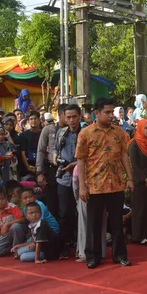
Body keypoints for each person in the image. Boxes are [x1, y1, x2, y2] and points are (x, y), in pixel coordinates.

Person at [76, 98, 134, 269]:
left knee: (117, 221)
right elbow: (80, 160)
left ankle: (120, 255)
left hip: (116, 184)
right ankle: (92, 256)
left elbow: (124, 156)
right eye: (107, 112)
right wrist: (82, 186)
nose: (111, 116)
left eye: (112, 112)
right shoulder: (85, 134)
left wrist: (130, 178)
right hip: (94, 185)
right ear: (97, 113)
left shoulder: (120, 133)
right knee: (93, 223)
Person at [53, 104, 81, 259]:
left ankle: (80, 244)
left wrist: (74, 164)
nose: (71, 120)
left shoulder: (86, 132)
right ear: (63, 117)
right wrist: (54, 157)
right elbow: (55, 150)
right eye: (68, 117)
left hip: (82, 178)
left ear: (80, 116)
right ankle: (64, 246)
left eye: (74, 116)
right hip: (63, 178)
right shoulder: (60, 132)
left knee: (82, 213)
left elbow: (90, 157)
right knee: (64, 213)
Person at [129, 119, 147, 245]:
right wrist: (144, 179)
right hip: (139, 182)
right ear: (140, 129)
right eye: (146, 128)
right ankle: (137, 235)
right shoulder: (134, 144)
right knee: (139, 208)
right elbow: (133, 165)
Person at [37, 106, 67, 217]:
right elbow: (40, 150)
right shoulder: (49, 129)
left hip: (69, 169)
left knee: (67, 205)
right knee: (53, 203)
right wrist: (39, 172)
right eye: (67, 116)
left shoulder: (74, 130)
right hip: (52, 169)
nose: (70, 119)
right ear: (59, 115)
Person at [0, 187, 26, 256]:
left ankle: (16, 250)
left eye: (2, 199)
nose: (1, 201)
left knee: (15, 226)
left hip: (16, 233)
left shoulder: (12, 206)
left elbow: (22, 219)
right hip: (5, 236)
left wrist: (7, 224)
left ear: (6, 198)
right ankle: (11, 249)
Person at [19, 111, 42, 182]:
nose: (33, 121)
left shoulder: (43, 133)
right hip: (27, 169)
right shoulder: (23, 135)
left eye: (35, 118)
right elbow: (22, 153)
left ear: (39, 120)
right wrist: (28, 167)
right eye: (31, 119)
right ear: (28, 121)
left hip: (41, 167)